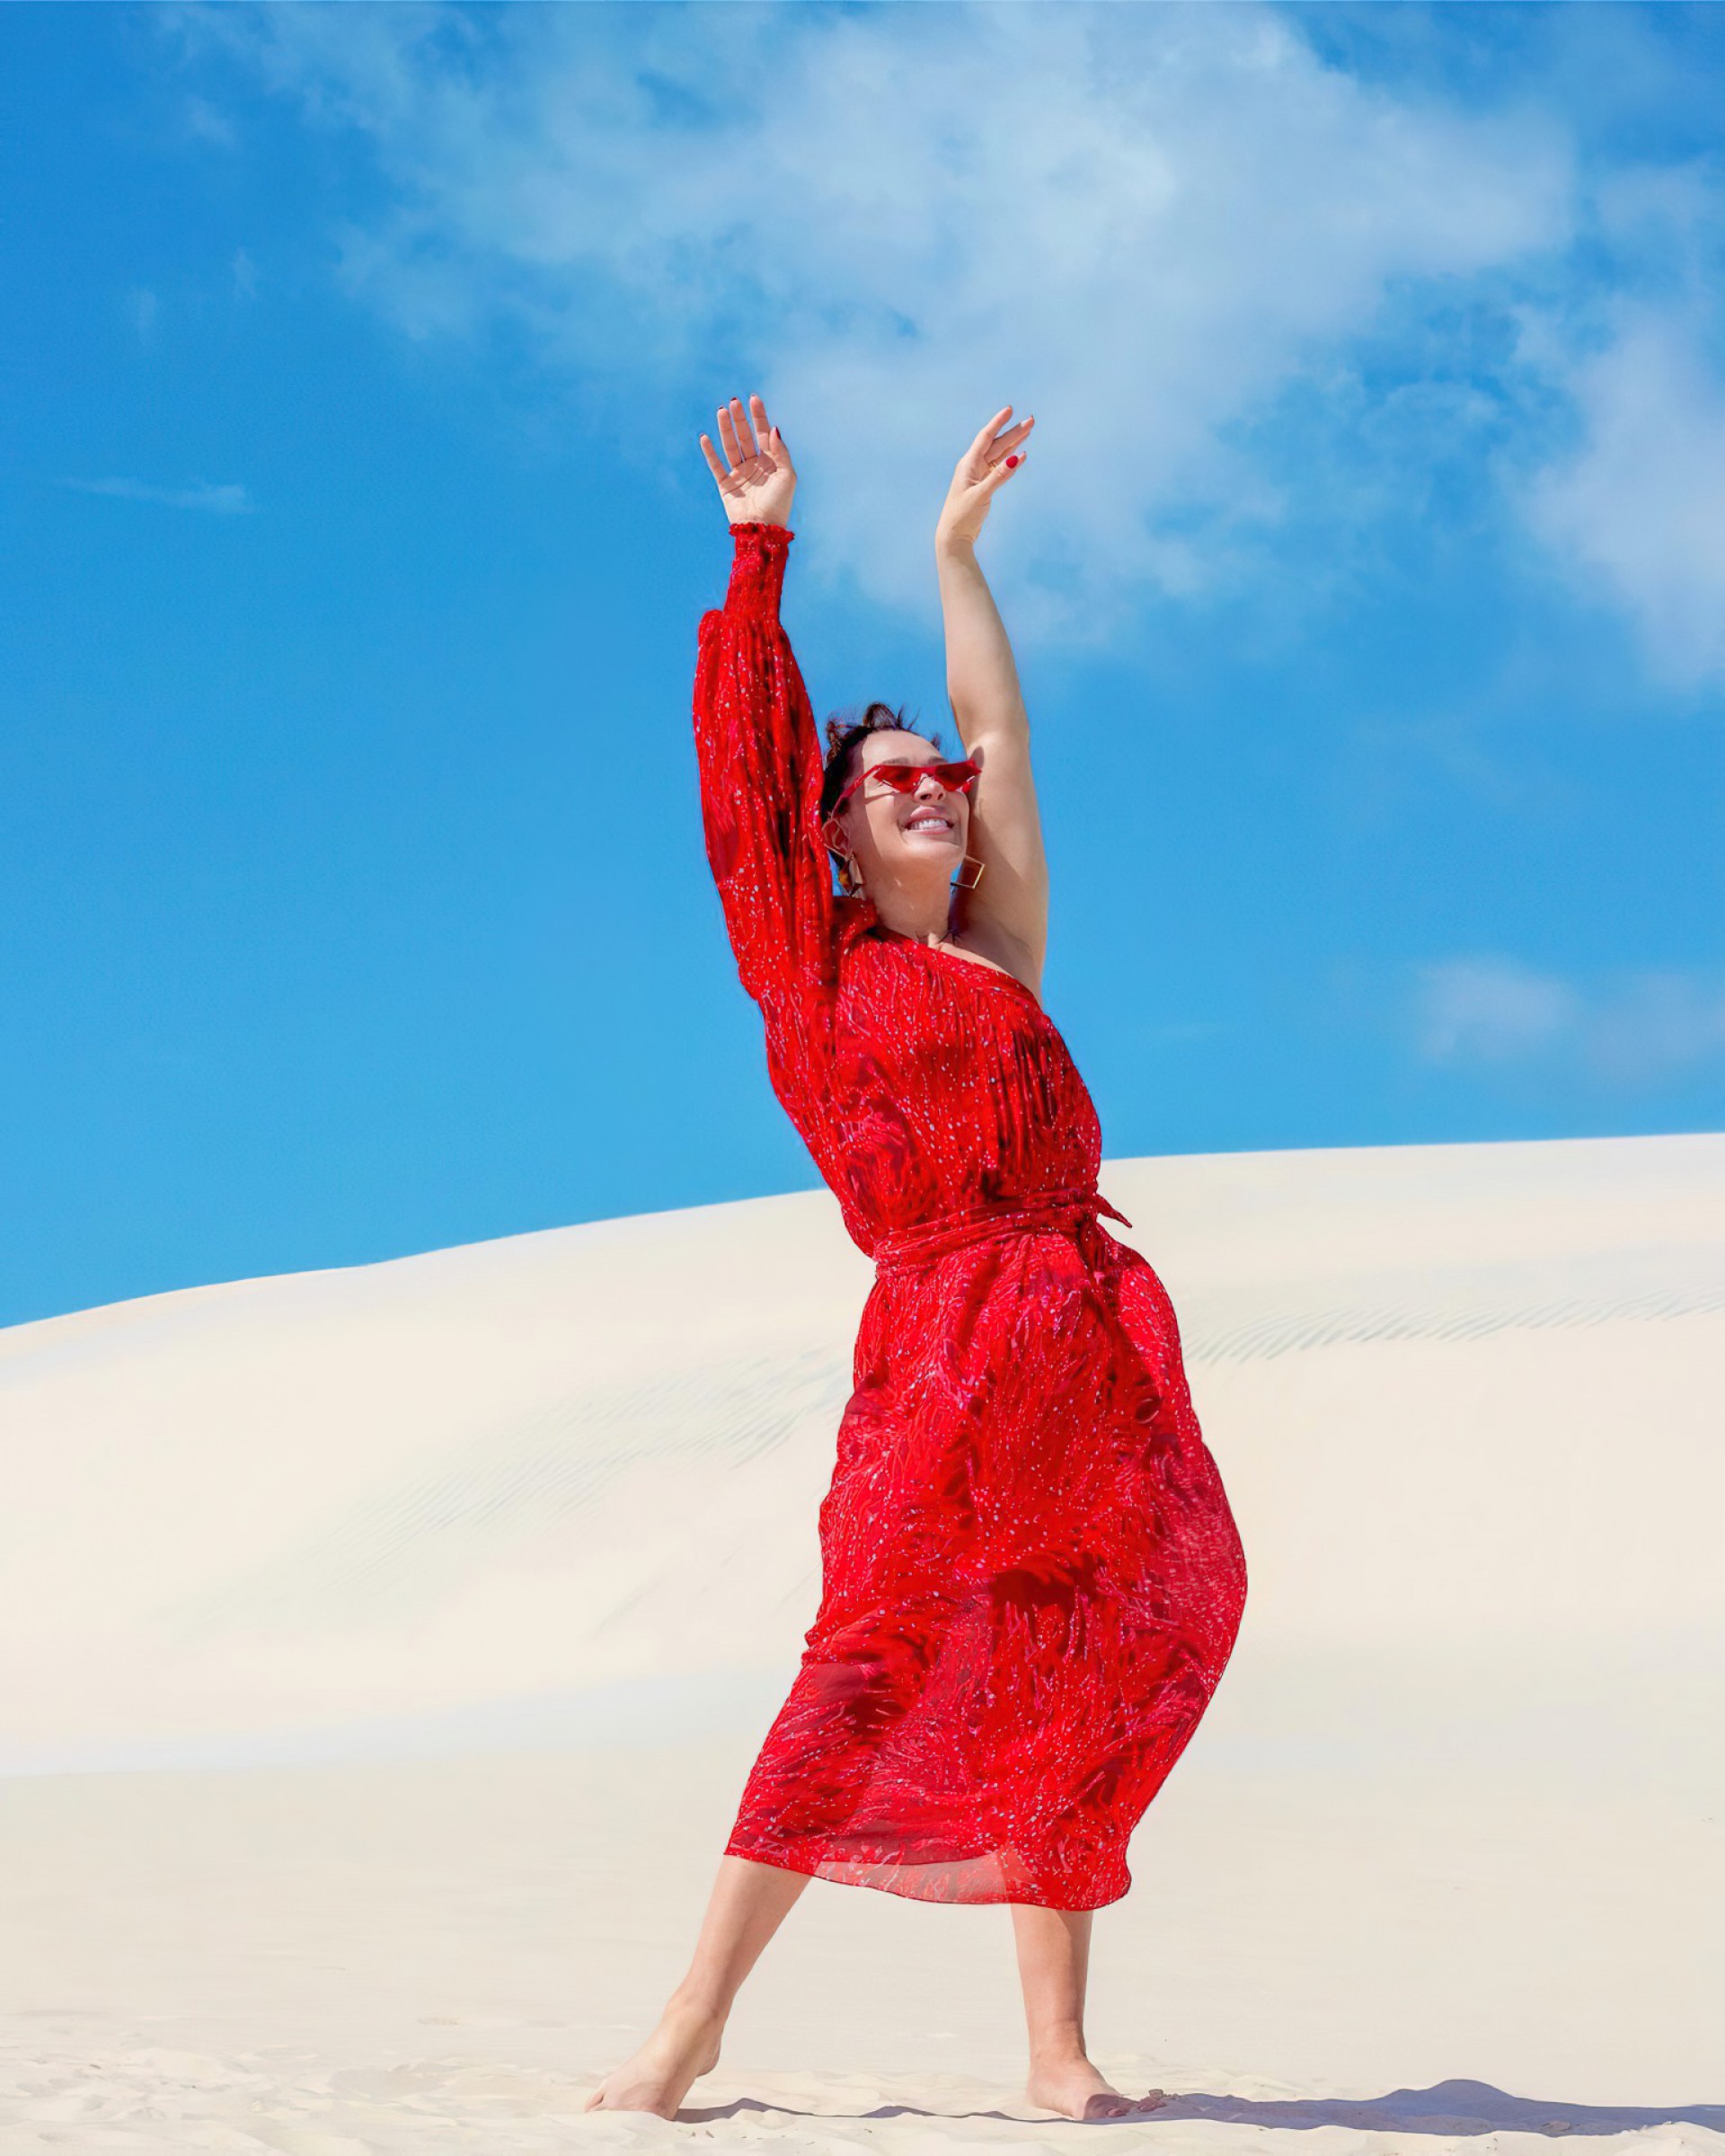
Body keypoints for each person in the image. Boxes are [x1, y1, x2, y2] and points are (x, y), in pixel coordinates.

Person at [585, 394, 1248, 2122]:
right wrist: (762, 553)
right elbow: (742, 778)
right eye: (894, 788)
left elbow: (1000, 732)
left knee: (1076, 1647)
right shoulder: (809, 974)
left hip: (1088, 1344)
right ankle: (691, 2020)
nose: (938, 796)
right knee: (866, 1658)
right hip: (941, 1340)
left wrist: (956, 557)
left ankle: (1055, 2056)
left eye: (935, 783)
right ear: (835, 833)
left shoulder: (1003, 954)